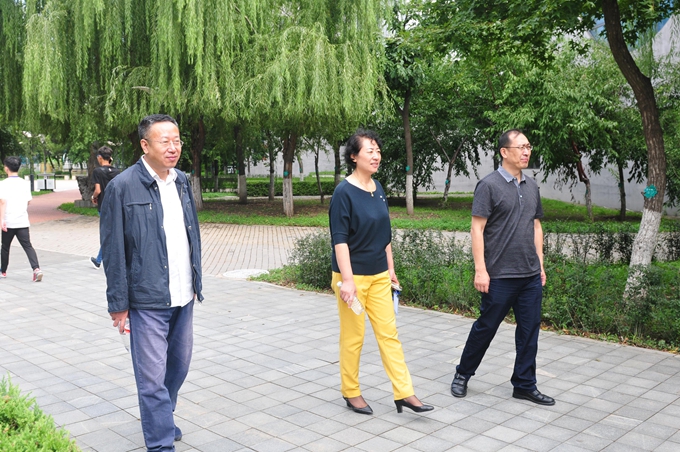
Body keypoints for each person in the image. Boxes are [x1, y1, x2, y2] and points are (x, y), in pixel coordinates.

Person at [101, 114, 203, 451]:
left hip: (183, 295)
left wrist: (197, 280)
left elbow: (191, 233)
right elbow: (113, 250)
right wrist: (118, 304)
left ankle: (162, 416)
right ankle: (160, 443)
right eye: (165, 141)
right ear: (145, 145)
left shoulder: (181, 180)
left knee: (179, 366)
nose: (173, 147)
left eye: (177, 140)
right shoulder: (122, 186)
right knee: (151, 377)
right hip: (146, 299)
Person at [329, 129, 433, 415]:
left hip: (378, 276)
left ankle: (405, 393)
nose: (376, 156)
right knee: (353, 338)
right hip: (352, 278)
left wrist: (391, 269)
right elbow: (340, 240)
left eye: (378, 151)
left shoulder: (378, 188)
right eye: (370, 151)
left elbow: (384, 235)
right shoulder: (343, 193)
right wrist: (347, 281)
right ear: (354, 156)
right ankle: (351, 392)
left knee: (389, 335)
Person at [450, 129, 554, 406]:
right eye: (521, 147)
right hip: (499, 275)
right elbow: (477, 229)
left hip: (529, 275)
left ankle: (524, 384)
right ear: (504, 152)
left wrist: (540, 264)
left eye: (529, 147)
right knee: (486, 327)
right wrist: (480, 270)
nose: (526, 152)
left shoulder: (531, 186)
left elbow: (536, 226)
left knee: (529, 332)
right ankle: (463, 374)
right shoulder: (488, 185)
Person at [0, 156, 43, 282]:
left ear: (6, 168)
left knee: (5, 247)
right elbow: (28, 201)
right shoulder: (25, 183)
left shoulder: (3, 184)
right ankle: (36, 269)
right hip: (22, 221)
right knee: (28, 246)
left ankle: (3, 271)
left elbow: (2, 202)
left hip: (9, 221)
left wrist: (1, 220)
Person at [90, 146, 121, 269]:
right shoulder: (117, 172)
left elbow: (98, 190)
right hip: (116, 205)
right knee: (113, 233)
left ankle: (99, 260)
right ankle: (99, 259)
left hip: (104, 205)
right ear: (110, 158)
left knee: (106, 234)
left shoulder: (97, 171)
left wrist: (93, 197)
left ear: (99, 157)